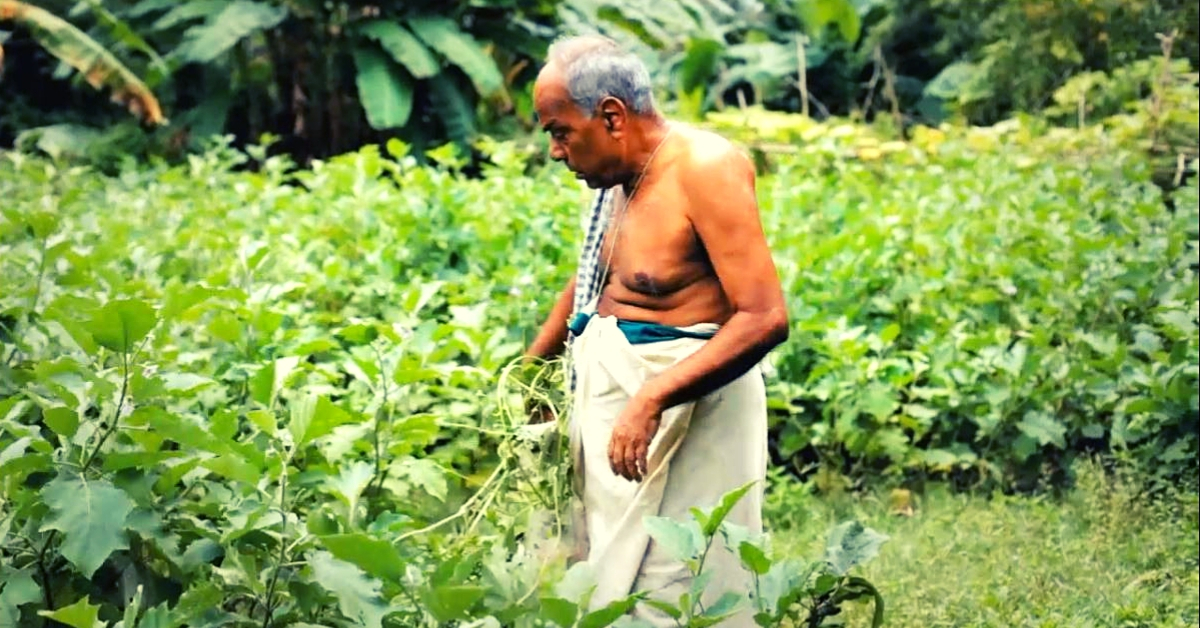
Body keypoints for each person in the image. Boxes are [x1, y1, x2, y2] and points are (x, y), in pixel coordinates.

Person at [522, 34, 789, 626]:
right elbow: (593, 276)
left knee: (683, 578)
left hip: (692, 412)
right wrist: (532, 368)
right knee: (606, 575)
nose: (555, 151)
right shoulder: (617, 175)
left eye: (560, 131)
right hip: (623, 410)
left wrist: (654, 395)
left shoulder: (705, 168)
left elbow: (765, 317)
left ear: (611, 117)